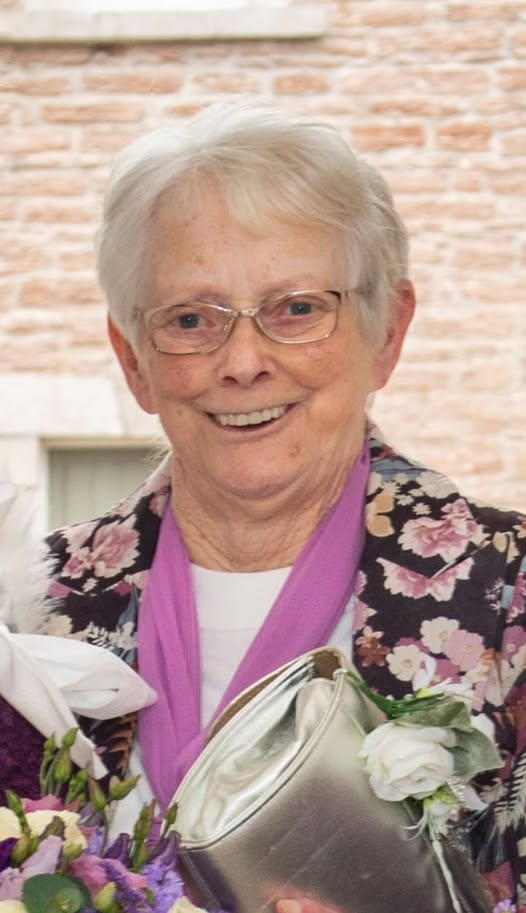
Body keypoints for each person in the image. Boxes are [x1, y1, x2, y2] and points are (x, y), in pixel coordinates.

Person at [19, 102, 526, 909]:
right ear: (134, 360)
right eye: (192, 319)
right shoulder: (29, 609)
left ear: (388, 331)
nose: (244, 360)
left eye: (296, 309)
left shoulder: (508, 593)